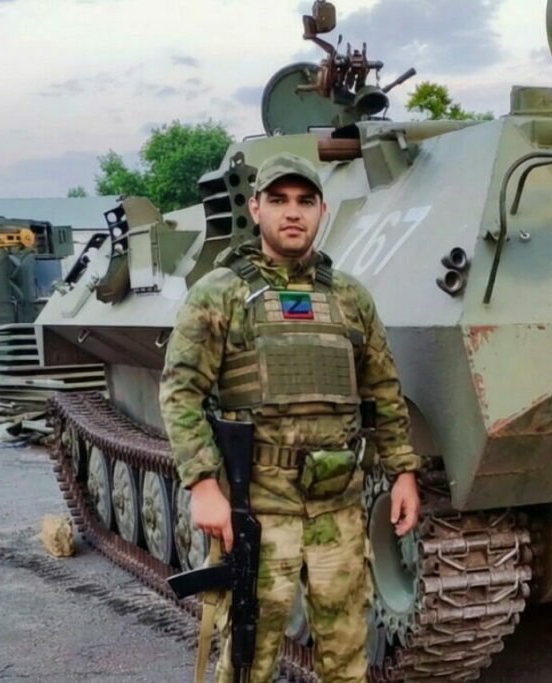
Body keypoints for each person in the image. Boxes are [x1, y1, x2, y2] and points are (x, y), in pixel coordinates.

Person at [159, 152, 421, 682]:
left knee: (347, 656)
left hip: (337, 503)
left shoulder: (349, 297)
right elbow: (181, 391)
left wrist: (403, 472)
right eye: (278, 200)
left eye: (305, 201)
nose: (293, 212)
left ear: (323, 210)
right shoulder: (221, 293)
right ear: (256, 208)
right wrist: (203, 484)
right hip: (259, 506)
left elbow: (383, 390)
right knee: (250, 656)